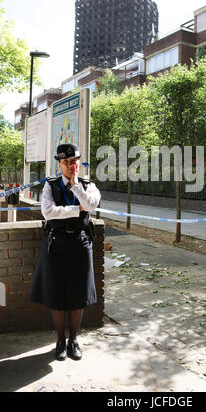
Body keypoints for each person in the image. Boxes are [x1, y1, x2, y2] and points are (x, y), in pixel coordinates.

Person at [30, 143, 101, 361]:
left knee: (78, 295)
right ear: (59, 164)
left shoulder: (89, 185)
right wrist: (75, 209)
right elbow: (48, 212)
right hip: (56, 245)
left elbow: (90, 206)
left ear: (78, 162)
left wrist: (76, 187)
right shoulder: (50, 186)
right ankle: (60, 340)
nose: (72, 165)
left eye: (74, 161)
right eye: (67, 162)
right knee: (57, 294)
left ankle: (74, 341)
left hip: (80, 244)